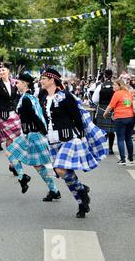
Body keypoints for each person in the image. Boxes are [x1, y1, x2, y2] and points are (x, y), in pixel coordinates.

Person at [40, 68, 107, 218]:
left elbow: (77, 117)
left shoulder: (65, 96)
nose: (41, 81)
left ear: (52, 80)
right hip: (53, 140)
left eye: (44, 78)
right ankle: (82, 199)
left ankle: (82, 192)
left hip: (69, 139)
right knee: (63, 173)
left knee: (61, 170)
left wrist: (81, 135)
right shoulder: (44, 97)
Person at [6, 72, 60, 201]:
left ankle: (55, 189)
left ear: (25, 84)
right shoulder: (29, 97)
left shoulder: (26, 99)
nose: (15, 84)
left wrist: (43, 131)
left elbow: (34, 117)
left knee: (40, 165)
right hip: (29, 134)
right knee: (10, 153)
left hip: (33, 134)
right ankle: (22, 177)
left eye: (17, 82)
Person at [0, 62, 22, 175]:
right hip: (3, 116)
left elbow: (17, 97)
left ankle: (14, 161)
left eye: (4, 70)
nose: (1, 72)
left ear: (8, 71)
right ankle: (13, 163)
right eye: (0, 71)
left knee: (17, 139)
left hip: (15, 114)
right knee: (9, 140)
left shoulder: (14, 83)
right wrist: (0, 109)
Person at [103, 79, 135, 165]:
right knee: (128, 138)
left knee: (120, 139)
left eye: (114, 85)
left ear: (119, 86)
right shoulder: (129, 93)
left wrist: (105, 113)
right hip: (131, 117)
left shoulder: (117, 94)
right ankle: (131, 158)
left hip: (120, 118)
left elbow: (110, 106)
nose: (113, 87)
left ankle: (122, 159)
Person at [92, 69, 116, 154]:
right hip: (113, 109)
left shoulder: (100, 86)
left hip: (102, 109)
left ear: (104, 76)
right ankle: (110, 149)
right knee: (112, 131)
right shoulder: (115, 86)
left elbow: (94, 100)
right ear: (112, 75)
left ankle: (104, 148)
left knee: (103, 130)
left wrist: (100, 103)